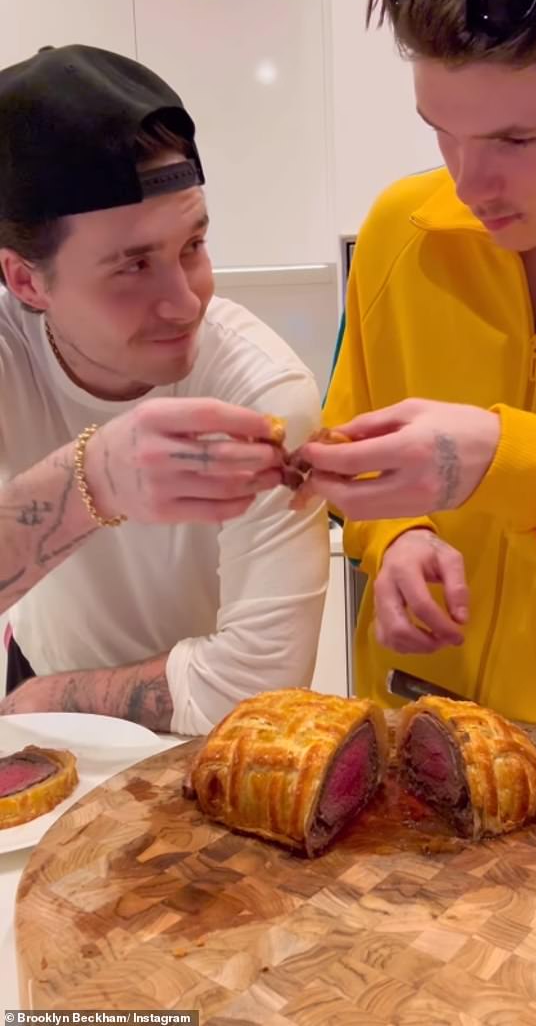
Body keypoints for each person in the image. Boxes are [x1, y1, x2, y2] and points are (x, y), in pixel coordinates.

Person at [298, 0, 536, 722]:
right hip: (418, 734)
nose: (467, 181)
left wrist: (520, 469)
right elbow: (348, 454)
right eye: (439, 129)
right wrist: (395, 537)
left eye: (516, 139)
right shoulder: (398, 232)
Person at [0, 44, 329, 734]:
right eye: (132, 266)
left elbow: (255, 691)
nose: (186, 304)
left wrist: (43, 697)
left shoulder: (262, 395)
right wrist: (95, 478)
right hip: (49, 704)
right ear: (27, 281)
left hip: (204, 744)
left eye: (192, 246)